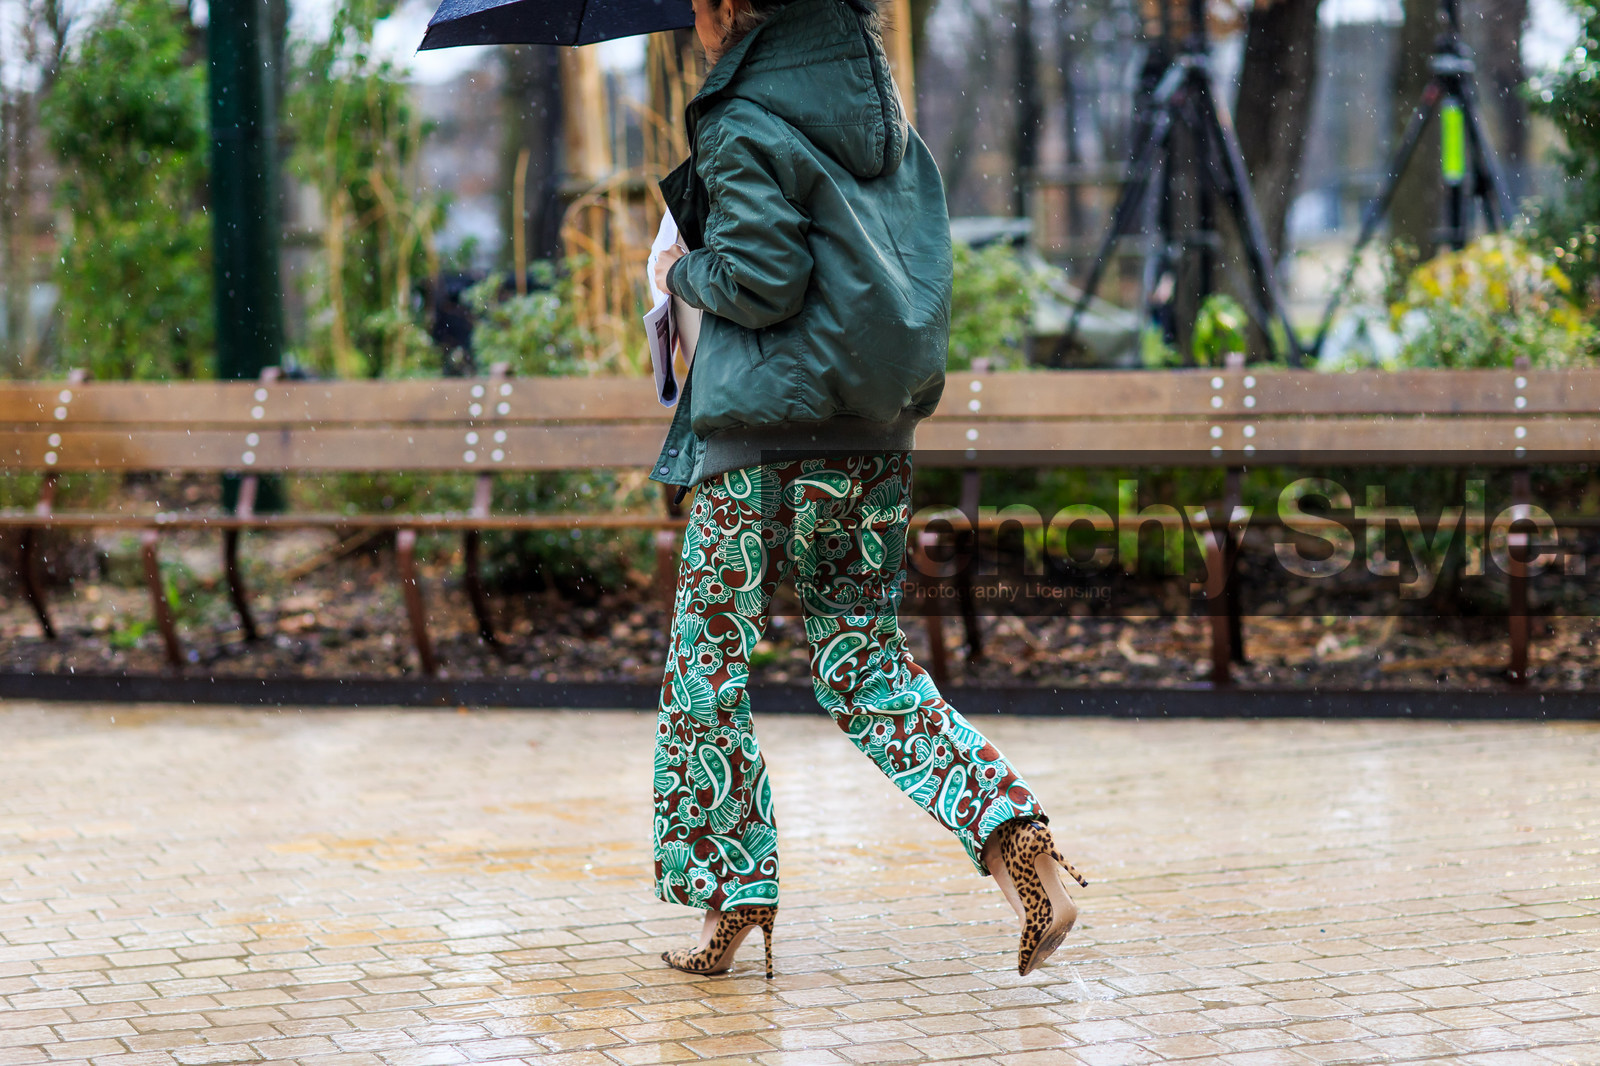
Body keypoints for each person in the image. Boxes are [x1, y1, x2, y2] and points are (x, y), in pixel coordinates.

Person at [647, 0, 1086, 979]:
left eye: (697, 9)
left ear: (727, 9)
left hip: (760, 438)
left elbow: (764, 276)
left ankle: (731, 892)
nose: (693, 27)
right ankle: (1014, 834)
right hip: (869, 437)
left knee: (706, 671)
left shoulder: (738, 115)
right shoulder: (886, 120)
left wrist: (686, 271)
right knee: (865, 662)